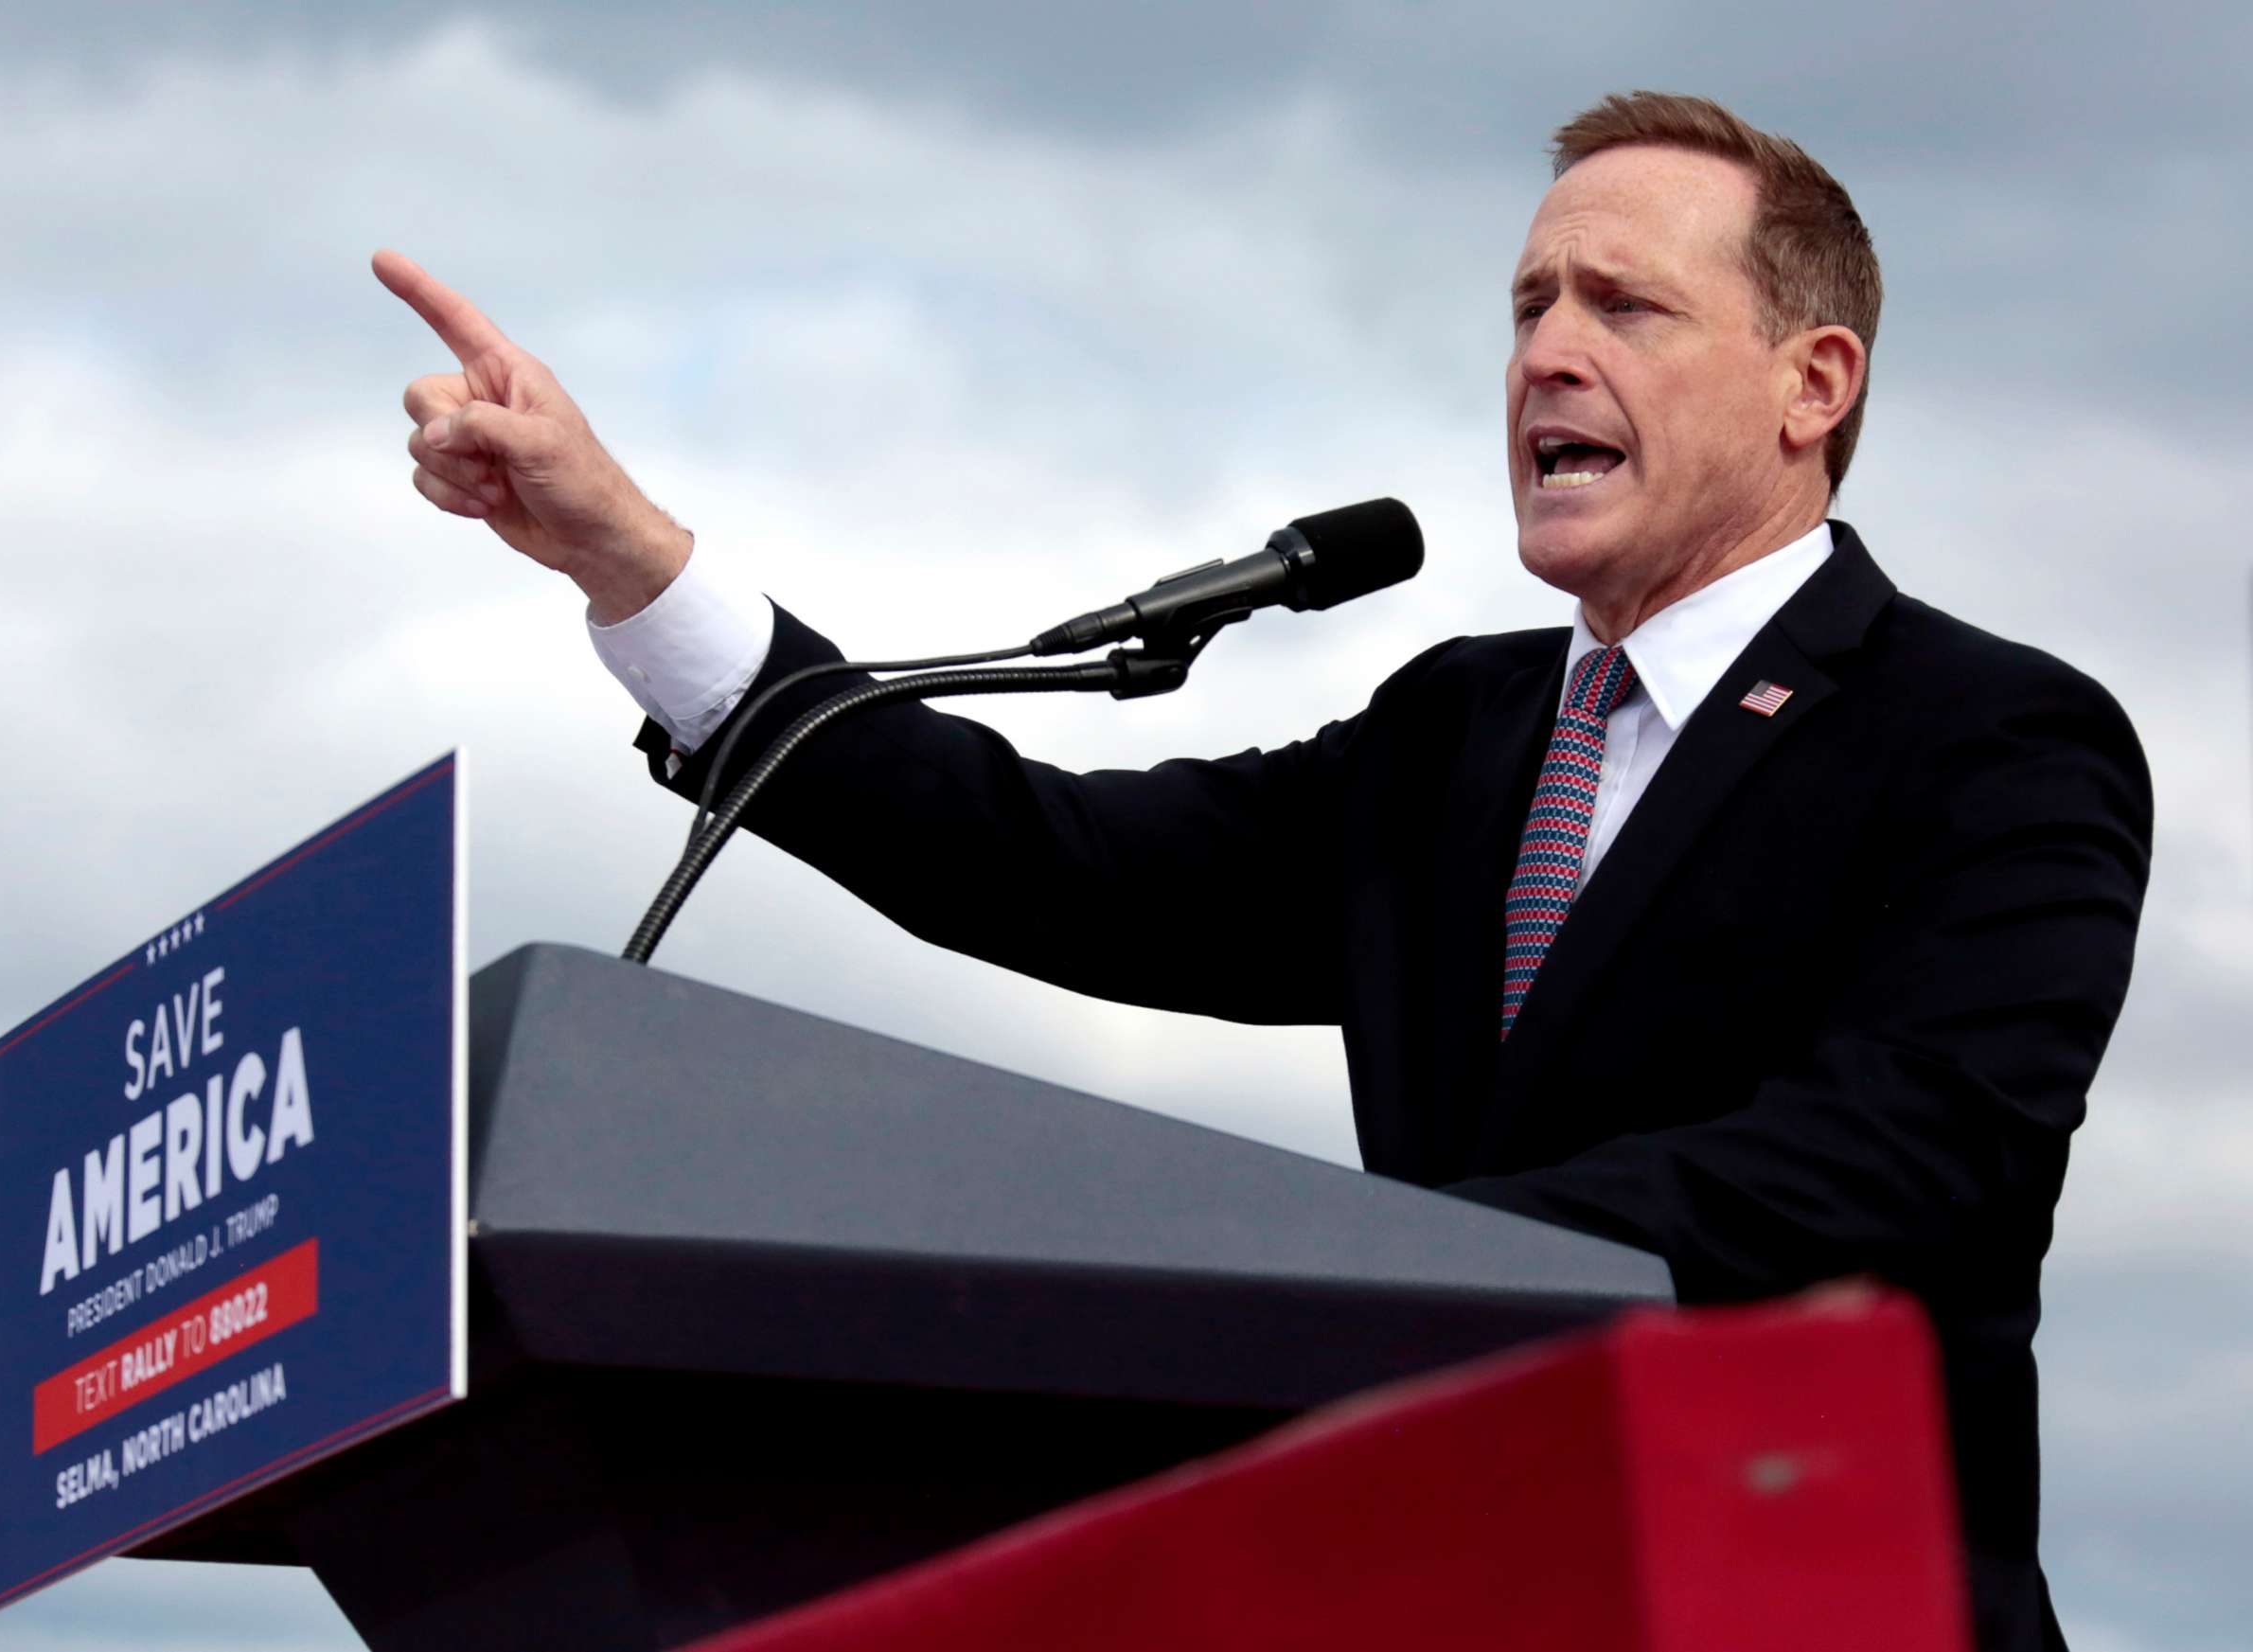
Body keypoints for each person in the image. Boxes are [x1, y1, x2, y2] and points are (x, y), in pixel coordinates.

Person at [375, 91, 2150, 1652]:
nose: (1543, 351)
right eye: (1528, 305)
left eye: (1622, 305)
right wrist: (632, 562)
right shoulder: (1459, 733)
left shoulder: (1991, 738)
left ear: (1809, 385)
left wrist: (1361, 1269)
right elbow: (1049, 861)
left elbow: (1899, 1166)